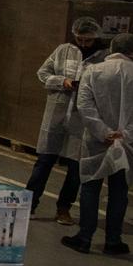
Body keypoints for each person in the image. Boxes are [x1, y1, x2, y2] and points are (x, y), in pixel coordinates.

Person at [60, 33, 133, 256]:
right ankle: (113, 240)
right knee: (119, 191)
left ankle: (84, 237)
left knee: (90, 186)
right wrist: (125, 134)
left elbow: (85, 105)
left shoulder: (94, 71)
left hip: (97, 141)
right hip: (129, 145)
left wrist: (103, 132)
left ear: (112, 48)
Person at [23, 17, 107, 224]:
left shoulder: (104, 57)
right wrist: (63, 81)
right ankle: (29, 205)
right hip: (57, 114)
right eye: (80, 39)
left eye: (88, 40)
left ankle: (63, 209)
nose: (83, 44)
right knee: (44, 161)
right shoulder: (63, 50)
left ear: (95, 38)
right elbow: (43, 72)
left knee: (75, 167)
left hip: (83, 119)